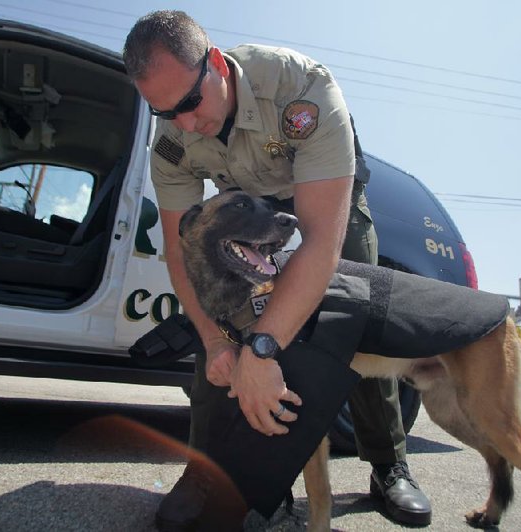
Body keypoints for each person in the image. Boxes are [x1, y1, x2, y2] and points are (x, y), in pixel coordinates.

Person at [123, 10, 432, 529]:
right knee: (219, 328)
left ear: (217, 64)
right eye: (164, 112)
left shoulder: (300, 88)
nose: (185, 123)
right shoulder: (173, 143)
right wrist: (220, 343)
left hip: (325, 206)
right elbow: (184, 253)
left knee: (352, 326)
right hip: (252, 209)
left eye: (191, 103)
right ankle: (211, 472)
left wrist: (262, 349)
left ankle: (387, 465)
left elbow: (320, 245)